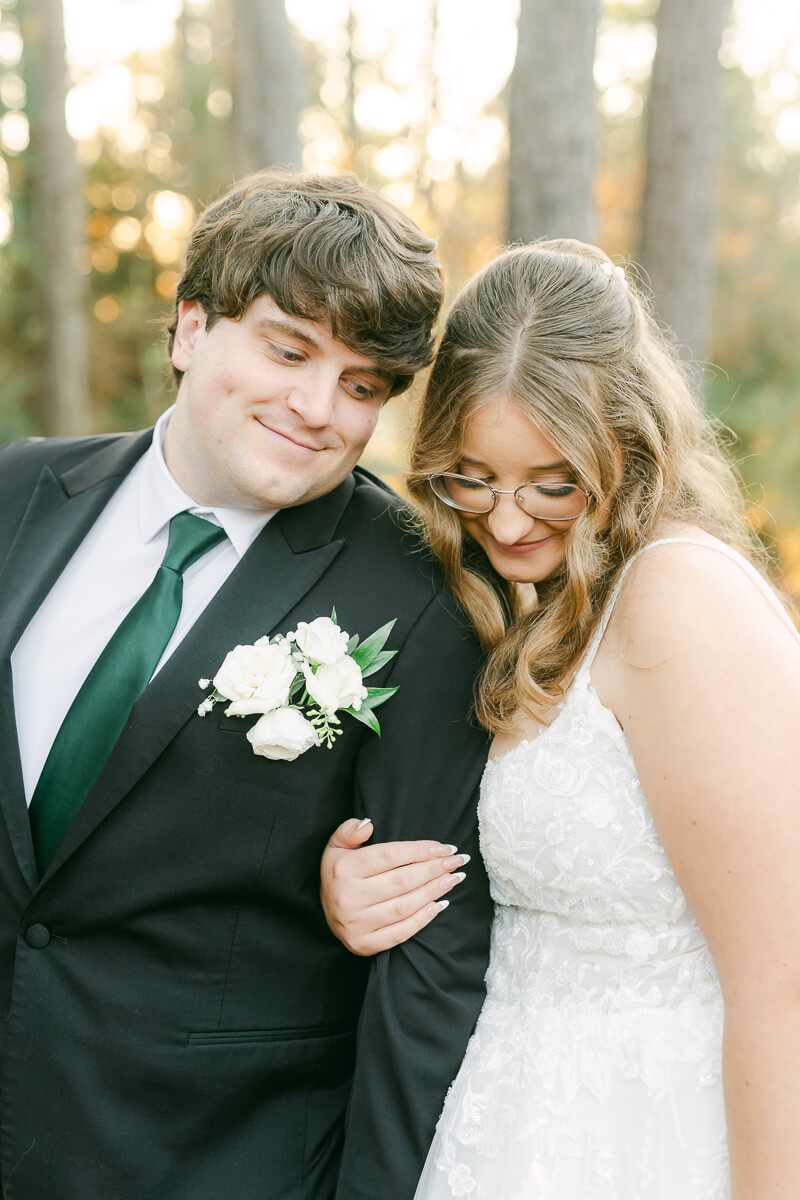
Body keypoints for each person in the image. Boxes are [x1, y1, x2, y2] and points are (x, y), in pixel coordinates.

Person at [0, 169, 493, 1200]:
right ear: (190, 327)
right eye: (287, 349)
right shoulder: (17, 496)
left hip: (213, 1162)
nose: (317, 409)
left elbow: (429, 964)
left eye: (362, 385)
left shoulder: (416, 593)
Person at [320, 239, 800, 1198]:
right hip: (510, 1128)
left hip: (651, 1137)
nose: (503, 521)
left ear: (631, 441)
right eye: (471, 475)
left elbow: (780, 989)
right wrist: (347, 881)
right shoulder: (532, 599)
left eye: (552, 482)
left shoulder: (679, 597)